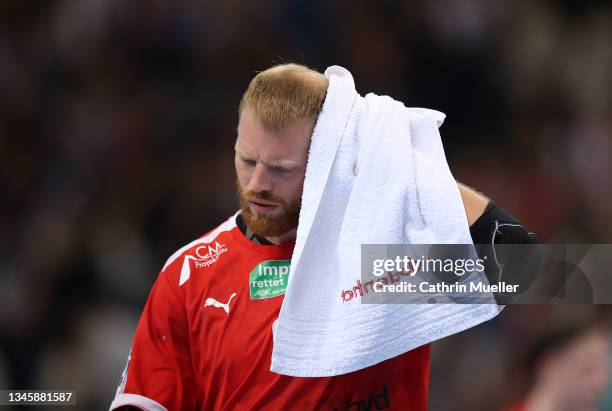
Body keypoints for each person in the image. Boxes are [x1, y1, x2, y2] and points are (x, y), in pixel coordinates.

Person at [109, 63, 538, 411]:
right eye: (246, 159)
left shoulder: (383, 255)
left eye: (281, 169)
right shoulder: (189, 274)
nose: (256, 184)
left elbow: (526, 269)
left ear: (328, 161)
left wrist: (401, 165)